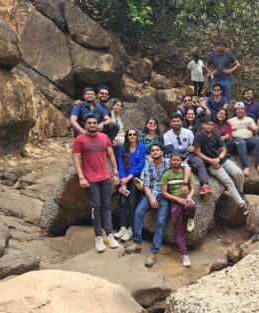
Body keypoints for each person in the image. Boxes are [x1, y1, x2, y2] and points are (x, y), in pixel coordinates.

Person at [125, 144, 192, 267]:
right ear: (150, 153)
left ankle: (153, 252)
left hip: (165, 196)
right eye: (153, 151)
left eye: (157, 150)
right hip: (150, 194)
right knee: (138, 213)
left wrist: (185, 183)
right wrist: (150, 198)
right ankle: (137, 243)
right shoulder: (148, 166)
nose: (155, 152)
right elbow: (146, 185)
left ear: (161, 151)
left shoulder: (169, 162)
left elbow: (187, 167)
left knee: (161, 223)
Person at [72, 114, 120, 252]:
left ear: (97, 124)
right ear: (85, 125)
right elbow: (76, 159)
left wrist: (115, 174)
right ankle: (98, 237)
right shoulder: (80, 139)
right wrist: (81, 177)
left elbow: (111, 155)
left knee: (106, 206)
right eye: (89, 123)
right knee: (95, 207)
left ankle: (109, 235)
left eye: (94, 123)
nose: (92, 125)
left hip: (105, 178)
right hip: (91, 179)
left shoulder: (104, 137)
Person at [194, 117, 252, 215]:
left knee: (239, 173)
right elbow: (197, 152)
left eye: (211, 125)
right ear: (203, 125)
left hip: (221, 159)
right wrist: (211, 161)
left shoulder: (215, 135)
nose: (209, 126)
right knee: (228, 182)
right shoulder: (199, 136)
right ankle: (243, 205)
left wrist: (219, 158)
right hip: (210, 164)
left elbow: (223, 149)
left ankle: (240, 192)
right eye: (207, 124)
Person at [161, 153, 196, 268]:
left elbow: (193, 187)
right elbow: (164, 192)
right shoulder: (167, 174)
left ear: (181, 161)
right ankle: (184, 255)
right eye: (173, 160)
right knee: (178, 228)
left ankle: (191, 218)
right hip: (175, 202)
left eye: (177, 160)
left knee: (191, 206)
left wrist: (189, 196)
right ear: (170, 161)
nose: (175, 162)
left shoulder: (186, 173)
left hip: (186, 199)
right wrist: (177, 199)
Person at [164, 113, 211, 195]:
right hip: (174, 158)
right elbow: (171, 150)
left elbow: (193, 149)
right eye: (173, 121)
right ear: (170, 123)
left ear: (181, 122)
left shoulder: (188, 132)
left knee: (199, 162)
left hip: (189, 156)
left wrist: (187, 159)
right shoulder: (167, 135)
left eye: (178, 121)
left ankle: (204, 185)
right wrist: (186, 149)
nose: (176, 123)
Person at [115, 129, 146, 241]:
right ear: (127, 136)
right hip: (123, 178)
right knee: (122, 202)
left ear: (137, 136)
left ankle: (130, 229)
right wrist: (122, 180)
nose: (132, 136)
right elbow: (120, 163)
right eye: (130, 135)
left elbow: (140, 165)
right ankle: (122, 227)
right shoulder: (123, 148)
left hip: (134, 179)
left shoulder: (141, 148)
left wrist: (127, 178)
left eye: (134, 134)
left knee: (132, 203)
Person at [228, 102, 259, 176]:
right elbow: (226, 133)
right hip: (236, 141)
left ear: (244, 110)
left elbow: (255, 133)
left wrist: (251, 128)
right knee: (241, 142)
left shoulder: (250, 119)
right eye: (238, 109)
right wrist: (232, 130)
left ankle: (258, 164)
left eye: (242, 109)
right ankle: (245, 166)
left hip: (249, 140)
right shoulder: (230, 121)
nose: (240, 110)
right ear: (235, 111)